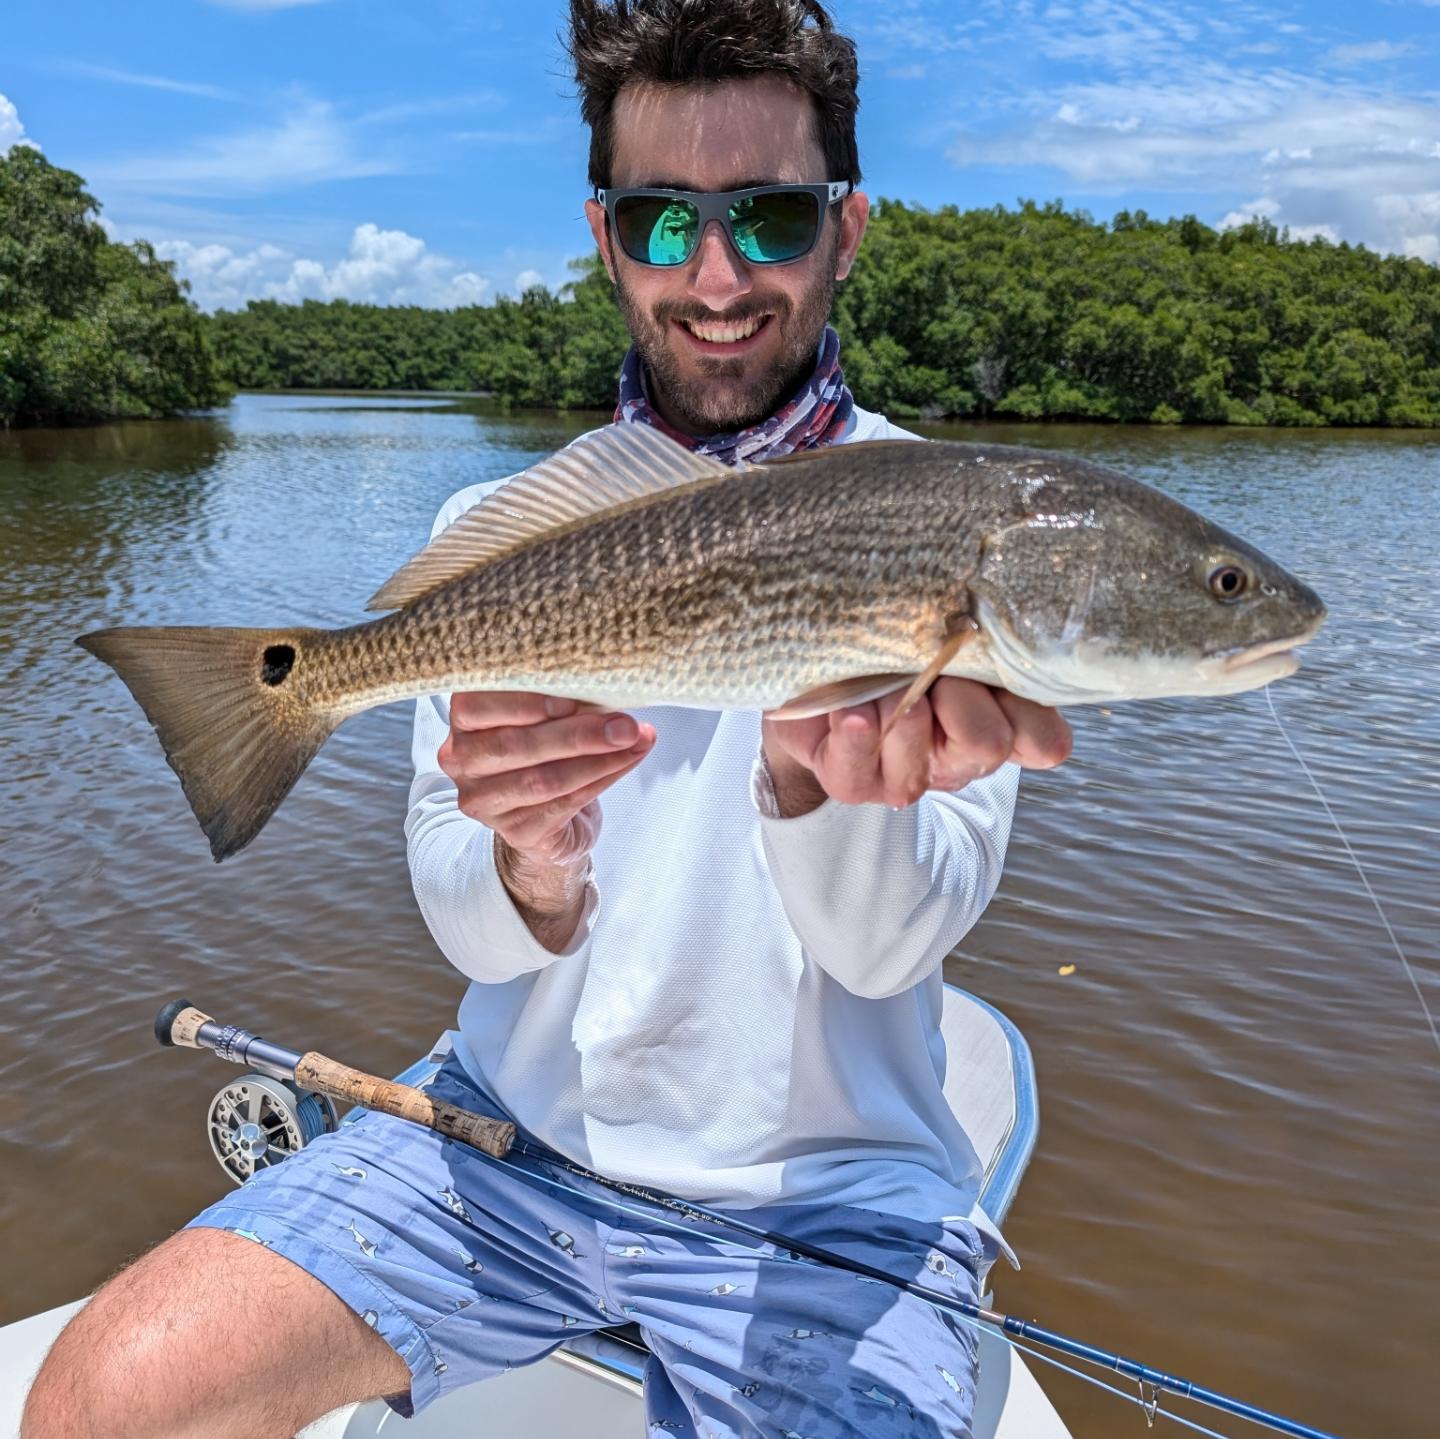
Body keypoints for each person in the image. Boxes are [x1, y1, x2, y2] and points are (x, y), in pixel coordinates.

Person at [22, 3, 1070, 1436]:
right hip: (501, 1146)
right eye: (661, 220)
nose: (714, 276)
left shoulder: (961, 527)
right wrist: (533, 864)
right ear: (604, 237)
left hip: (830, 1205)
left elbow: (891, 951)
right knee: (103, 1398)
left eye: (767, 216)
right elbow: (466, 929)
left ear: (847, 226)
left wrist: (813, 794)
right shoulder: (501, 534)